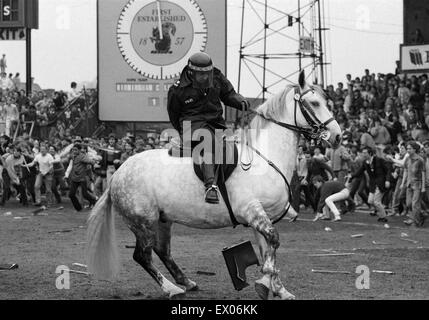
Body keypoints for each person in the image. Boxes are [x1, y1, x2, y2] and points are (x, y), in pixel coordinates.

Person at [167, 52, 249, 204]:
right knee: (208, 139)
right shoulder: (177, 90)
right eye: (201, 75)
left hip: (216, 122)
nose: (205, 78)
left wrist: (240, 101)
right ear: (191, 73)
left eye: (207, 74)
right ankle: (210, 187)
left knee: (233, 145)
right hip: (192, 125)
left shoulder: (217, 77)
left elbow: (229, 94)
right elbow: (173, 115)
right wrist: (183, 134)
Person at [350, 147, 392, 223]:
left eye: (365, 153)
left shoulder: (379, 160)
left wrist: (388, 180)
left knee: (376, 202)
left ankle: (383, 217)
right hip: (373, 184)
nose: (363, 154)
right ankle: (383, 211)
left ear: (370, 153)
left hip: (381, 183)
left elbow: (388, 169)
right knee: (370, 201)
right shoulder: (365, 162)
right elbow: (359, 172)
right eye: (363, 153)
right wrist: (351, 176)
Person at [65, 143, 97, 212]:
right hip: (75, 178)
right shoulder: (73, 156)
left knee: (85, 194)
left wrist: (94, 163)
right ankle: (78, 208)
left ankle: (94, 201)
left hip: (82, 179)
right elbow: (67, 155)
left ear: (79, 150)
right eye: (73, 150)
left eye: (76, 150)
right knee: (71, 194)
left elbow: (90, 161)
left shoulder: (82, 156)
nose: (74, 151)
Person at [401, 141, 426, 227]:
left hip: (417, 185)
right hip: (409, 184)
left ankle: (416, 222)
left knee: (415, 204)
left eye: (409, 149)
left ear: (414, 149)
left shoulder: (420, 160)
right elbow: (405, 170)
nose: (408, 150)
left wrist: (423, 187)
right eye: (407, 148)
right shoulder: (407, 159)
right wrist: (403, 182)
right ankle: (421, 215)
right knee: (408, 203)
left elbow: (423, 173)